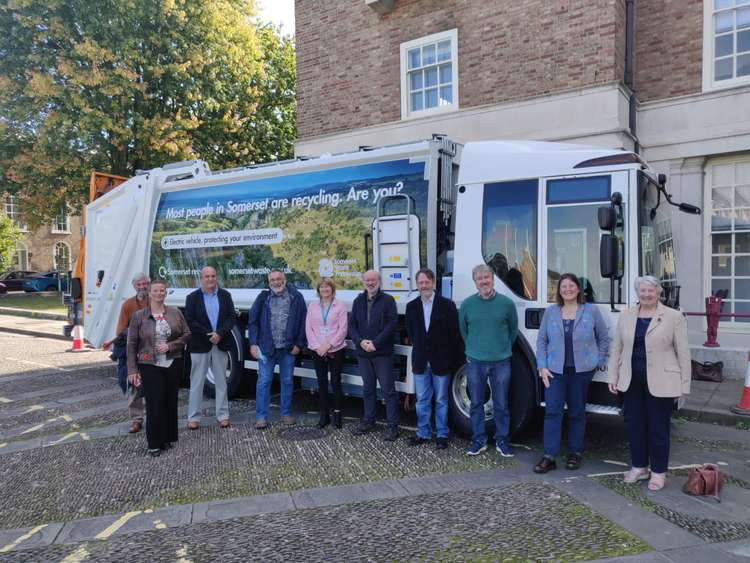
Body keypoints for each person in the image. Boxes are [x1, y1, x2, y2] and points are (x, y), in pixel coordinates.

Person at [608, 275, 691, 491]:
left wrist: (685, 385)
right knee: (634, 426)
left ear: (659, 292)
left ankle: (659, 472)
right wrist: (613, 375)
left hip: (663, 381)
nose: (646, 294)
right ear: (638, 293)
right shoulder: (626, 315)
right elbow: (617, 347)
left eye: (651, 291)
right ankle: (639, 467)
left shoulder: (673, 316)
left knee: (658, 429)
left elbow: (683, 353)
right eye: (642, 291)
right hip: (631, 379)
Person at [534, 273, 609, 473]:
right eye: (563, 286)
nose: (567, 289)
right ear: (559, 291)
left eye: (571, 286)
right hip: (554, 372)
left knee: (577, 413)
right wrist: (542, 366)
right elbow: (541, 341)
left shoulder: (591, 311)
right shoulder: (551, 312)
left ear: (578, 289)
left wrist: (597, 361)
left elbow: (603, 337)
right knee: (552, 412)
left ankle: (575, 454)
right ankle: (549, 456)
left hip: (581, 372)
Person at [459, 264, 518, 457]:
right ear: (475, 282)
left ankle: (502, 441)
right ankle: (479, 440)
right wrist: (474, 349)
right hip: (475, 361)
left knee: (501, 403)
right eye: (479, 279)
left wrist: (503, 349)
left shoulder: (507, 304)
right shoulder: (467, 304)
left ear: (493, 279)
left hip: (501, 361)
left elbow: (513, 331)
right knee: (476, 403)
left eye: (487, 277)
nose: (484, 281)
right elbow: (464, 331)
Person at [127, 281, 191, 457]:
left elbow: (187, 334)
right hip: (149, 364)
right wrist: (132, 370)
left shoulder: (175, 312)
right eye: (155, 290)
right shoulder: (139, 316)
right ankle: (154, 443)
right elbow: (131, 344)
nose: (158, 293)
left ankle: (168, 438)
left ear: (166, 293)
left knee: (170, 402)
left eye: (162, 290)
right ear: (149, 292)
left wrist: (171, 346)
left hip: (172, 362)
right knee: (154, 404)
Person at [405, 268, 461, 449]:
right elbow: (411, 333)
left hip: (441, 361)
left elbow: (454, 335)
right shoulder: (411, 306)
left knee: (441, 400)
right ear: (417, 285)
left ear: (433, 282)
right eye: (420, 283)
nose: (423, 286)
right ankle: (423, 433)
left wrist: (445, 354)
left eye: (426, 282)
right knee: (422, 399)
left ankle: (442, 434)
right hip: (421, 360)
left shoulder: (447, 305)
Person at [247, 269, 307, 429]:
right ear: (269, 282)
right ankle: (261, 417)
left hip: (288, 349)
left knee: (287, 381)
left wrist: (299, 345)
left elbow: (303, 322)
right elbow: (253, 321)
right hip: (267, 348)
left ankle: (286, 414)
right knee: (264, 381)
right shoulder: (263, 298)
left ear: (284, 279)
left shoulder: (296, 297)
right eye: (272, 280)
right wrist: (253, 343)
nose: (276, 282)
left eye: (279, 279)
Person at [184, 266, 237, 430]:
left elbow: (231, 317)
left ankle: (223, 416)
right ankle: (193, 417)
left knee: (222, 382)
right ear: (201, 278)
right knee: (197, 382)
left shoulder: (225, 295)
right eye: (207, 276)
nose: (210, 279)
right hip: (200, 345)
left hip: (221, 343)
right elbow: (190, 320)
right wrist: (209, 334)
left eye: (213, 276)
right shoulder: (192, 297)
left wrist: (219, 334)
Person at [349, 270, 399, 441]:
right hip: (363, 353)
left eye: (373, 280)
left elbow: (392, 325)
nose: (370, 283)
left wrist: (376, 343)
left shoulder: (388, 300)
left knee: (388, 390)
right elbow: (352, 325)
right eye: (367, 280)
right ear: (363, 282)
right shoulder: (358, 301)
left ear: (379, 281)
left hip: (382, 353)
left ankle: (392, 426)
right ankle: (369, 421)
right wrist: (360, 341)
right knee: (368, 389)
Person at [102, 273, 150, 434]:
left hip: (152, 350)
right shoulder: (128, 305)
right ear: (134, 286)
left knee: (153, 384)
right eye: (139, 284)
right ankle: (137, 419)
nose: (142, 287)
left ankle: (155, 417)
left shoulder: (156, 301)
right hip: (134, 350)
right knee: (133, 384)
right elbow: (121, 330)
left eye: (145, 284)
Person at [305, 278, 348, 429]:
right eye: (322, 287)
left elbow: (343, 329)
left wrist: (329, 345)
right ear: (318, 290)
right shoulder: (313, 306)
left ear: (332, 289)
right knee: (321, 382)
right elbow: (308, 328)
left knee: (335, 381)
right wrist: (318, 347)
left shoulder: (340, 305)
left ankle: (337, 414)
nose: (324, 290)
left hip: (336, 349)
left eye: (327, 287)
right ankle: (324, 416)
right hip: (317, 350)